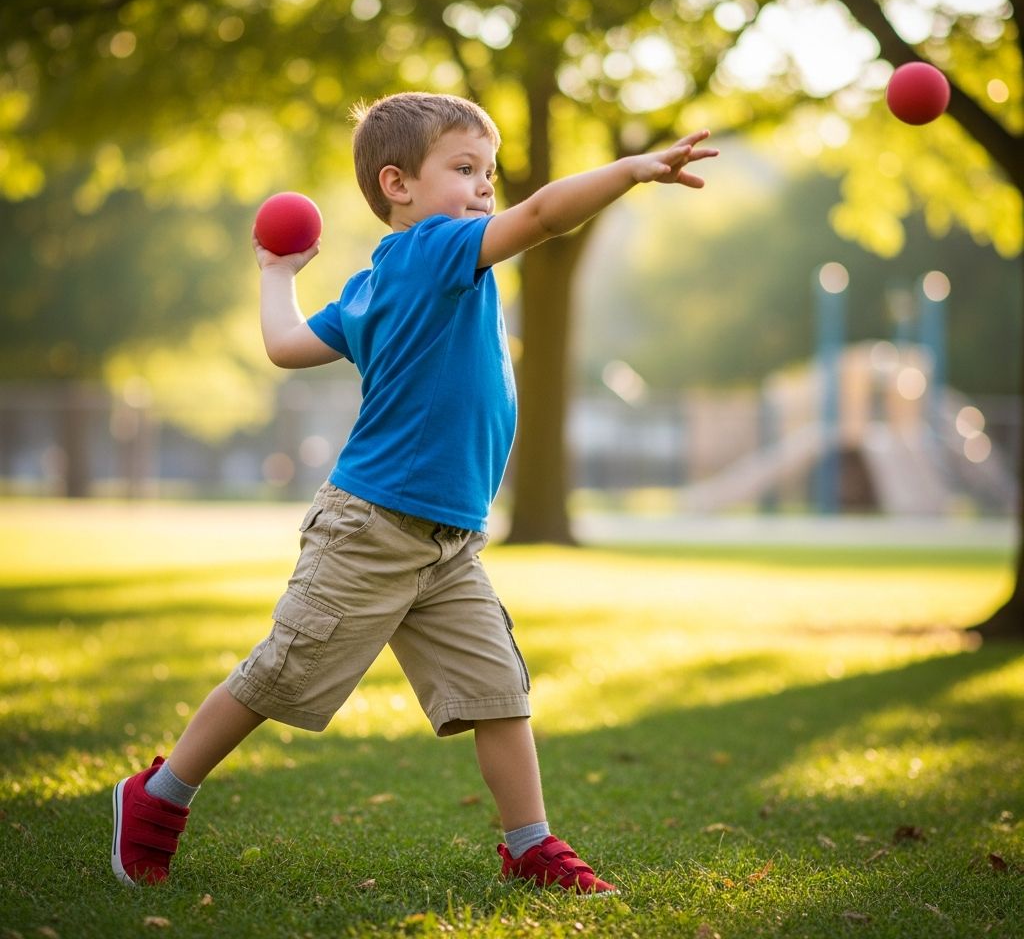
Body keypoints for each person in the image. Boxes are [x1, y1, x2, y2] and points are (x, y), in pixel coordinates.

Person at [111, 92, 717, 895]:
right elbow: (541, 217)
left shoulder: (374, 282)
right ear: (397, 184)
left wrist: (276, 275)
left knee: (497, 691)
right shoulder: (437, 251)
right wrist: (629, 172)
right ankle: (157, 798)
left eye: (488, 173)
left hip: (448, 542)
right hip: (371, 529)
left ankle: (529, 845)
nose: (485, 189)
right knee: (279, 675)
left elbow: (286, 343)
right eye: (464, 169)